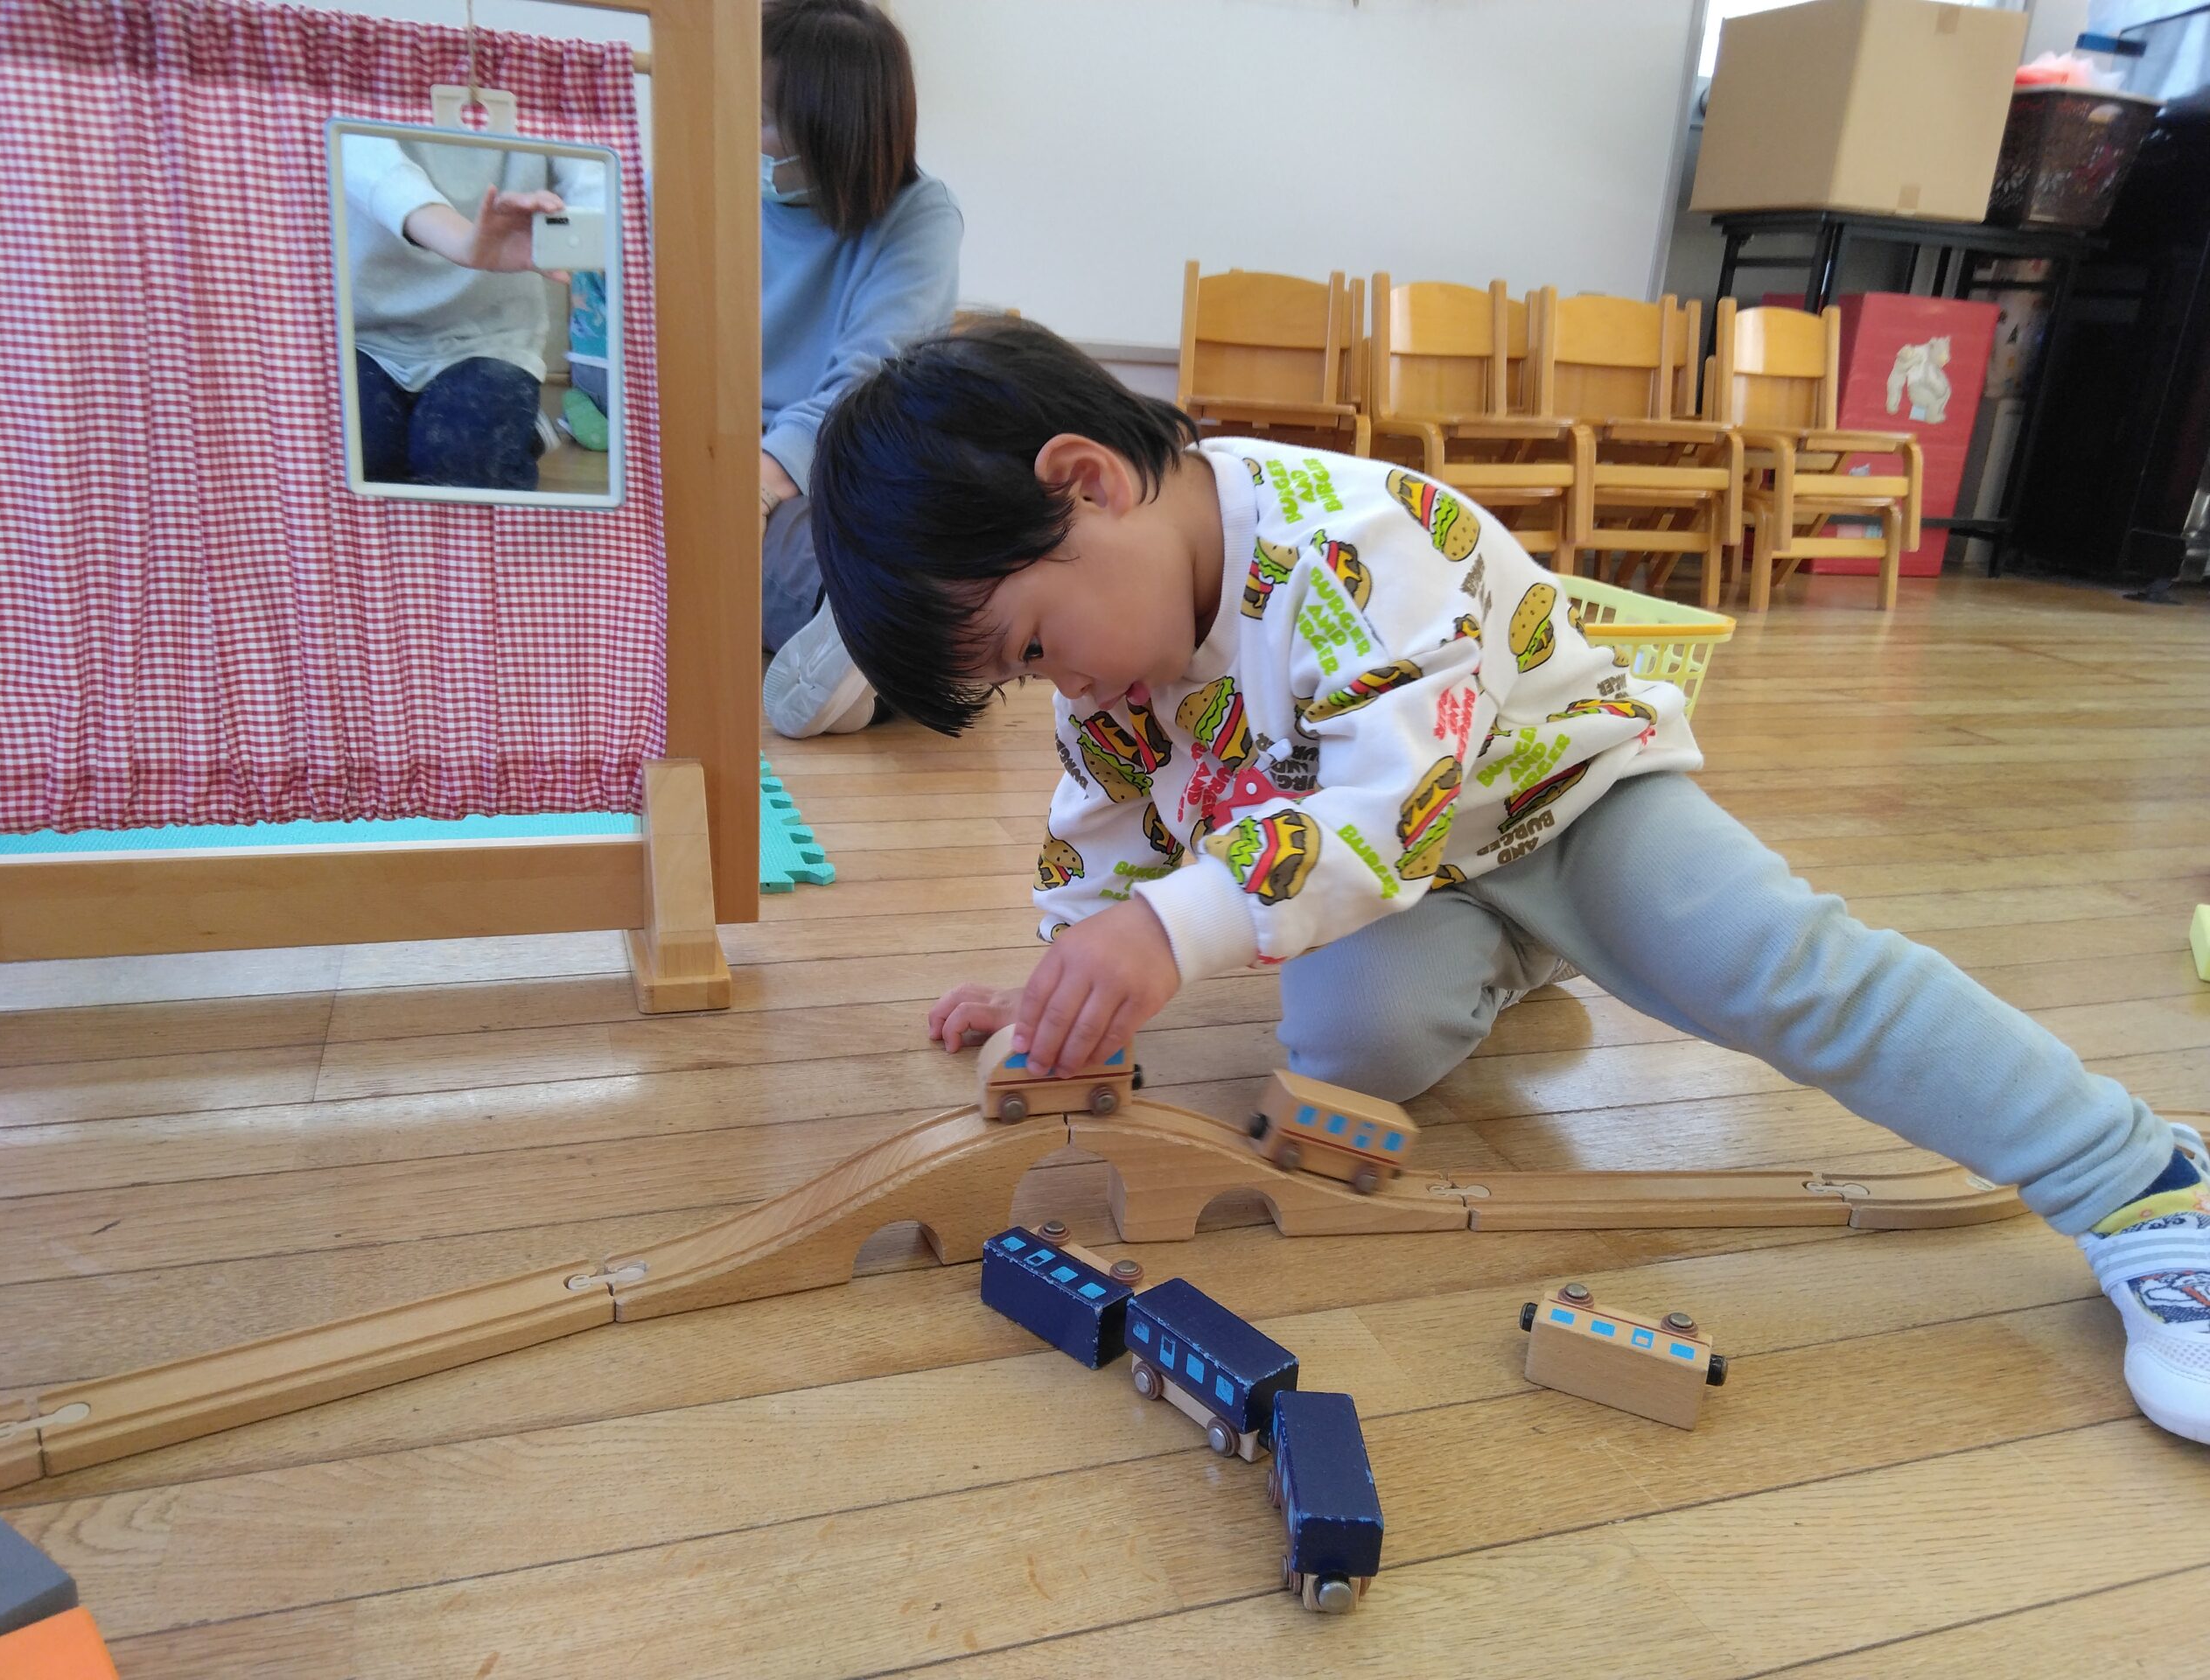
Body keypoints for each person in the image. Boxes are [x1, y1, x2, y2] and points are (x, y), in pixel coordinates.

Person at [805, 317, 2210, 1447]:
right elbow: (1108, 827)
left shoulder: (1351, 537)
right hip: (1407, 874)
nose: (1060, 689)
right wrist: (1061, 972)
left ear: (1088, 483)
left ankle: (2140, 1184)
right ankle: (1525, 956)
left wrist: (1173, 932)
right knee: (1350, 1047)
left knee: (1782, 969)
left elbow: (1388, 800)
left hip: (1568, 804)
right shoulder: (1120, 659)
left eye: (1031, 646)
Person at [757, 0, 963, 738]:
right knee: (768, 545)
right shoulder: (708, 189)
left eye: (766, 120)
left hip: (843, 452)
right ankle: (872, 656)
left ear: (831, 131)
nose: (751, 137)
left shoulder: (920, 214)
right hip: (735, 452)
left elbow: (868, 380)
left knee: (877, 527)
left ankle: (874, 647)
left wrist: (765, 477)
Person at [340, 135, 604, 492]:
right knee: (364, 458)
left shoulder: (552, 106)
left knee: (465, 465)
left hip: (492, 339)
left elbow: (596, 176)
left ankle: (512, 428)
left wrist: (592, 233)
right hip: (367, 336)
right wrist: (465, 242)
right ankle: (518, 432)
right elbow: (376, 170)